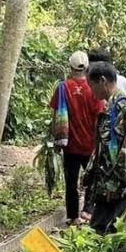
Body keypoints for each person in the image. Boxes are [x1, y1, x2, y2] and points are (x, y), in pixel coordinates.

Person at [82, 61, 126, 233]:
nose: (92, 92)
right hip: (107, 183)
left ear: (102, 81)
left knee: (106, 230)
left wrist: (117, 184)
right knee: (102, 228)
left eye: (92, 86)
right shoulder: (112, 105)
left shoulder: (122, 107)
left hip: (114, 185)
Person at [51, 50, 106, 225]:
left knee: (71, 181)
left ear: (70, 66)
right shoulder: (94, 87)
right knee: (92, 180)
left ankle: (73, 216)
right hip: (91, 144)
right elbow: (100, 114)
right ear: (88, 67)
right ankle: (87, 211)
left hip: (70, 145)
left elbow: (56, 113)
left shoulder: (62, 88)